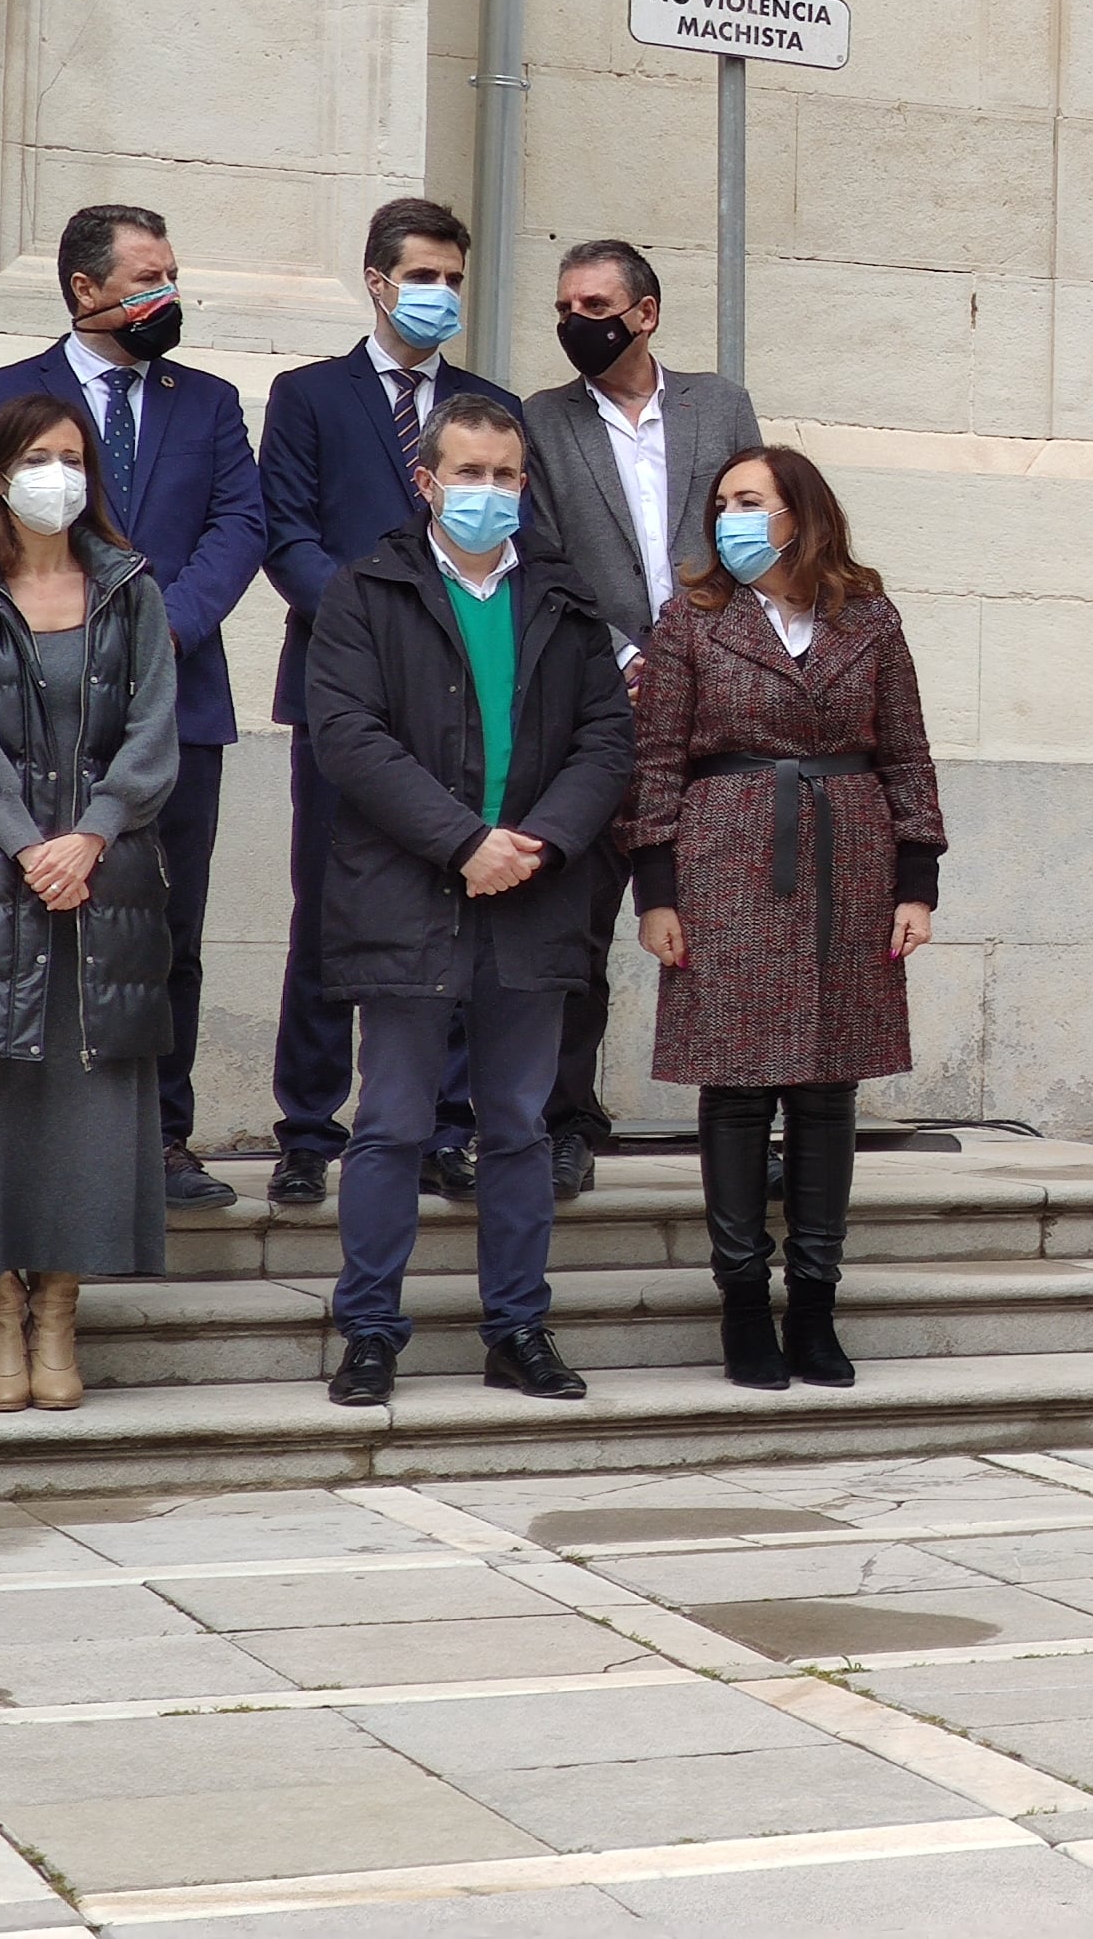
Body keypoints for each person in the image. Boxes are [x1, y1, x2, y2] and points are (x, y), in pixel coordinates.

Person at [305, 396, 631, 1407]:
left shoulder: (567, 604)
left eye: (506, 476)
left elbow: (607, 741)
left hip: (531, 894)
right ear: (427, 482)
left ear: (525, 486)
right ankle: (367, 1330)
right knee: (394, 1125)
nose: (488, 493)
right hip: (408, 896)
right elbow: (349, 738)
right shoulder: (367, 592)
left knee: (521, 1127)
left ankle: (519, 1329)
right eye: (469, 474)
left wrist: (540, 844)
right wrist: (463, 844)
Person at [0, 206, 265, 1213]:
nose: (166, 293)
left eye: (171, 273)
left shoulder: (207, 402)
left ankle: (162, 1142)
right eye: (147, 276)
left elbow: (238, 524)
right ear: (86, 290)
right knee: (26, 929)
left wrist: (160, 629)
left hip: (179, 711)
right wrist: (95, 628)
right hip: (37, 717)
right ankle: (31, 1145)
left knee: (166, 933)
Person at [622, 447, 941, 1390]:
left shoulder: (870, 619)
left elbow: (909, 755)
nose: (729, 516)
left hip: (852, 859)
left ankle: (813, 1303)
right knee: (735, 1086)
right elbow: (655, 760)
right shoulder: (693, 619)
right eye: (721, 502)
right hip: (725, 859)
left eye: (748, 500)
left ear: (798, 513)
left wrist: (916, 881)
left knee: (828, 1086)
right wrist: (657, 889)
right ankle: (740, 1304)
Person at [0, 397, 177, 1409]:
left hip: (104, 885)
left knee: (89, 1099)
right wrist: (29, 844)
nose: (55, 475)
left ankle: (58, 1310)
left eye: (72, 457)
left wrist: (93, 833)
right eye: (36, 458)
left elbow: (153, 731)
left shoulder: (131, 590)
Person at [256, 199, 516, 1209]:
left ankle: (444, 1126)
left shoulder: (491, 404)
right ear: (376, 279)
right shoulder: (310, 395)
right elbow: (288, 539)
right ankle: (309, 1130)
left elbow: (506, 548)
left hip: (465, 700)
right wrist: (384, 636)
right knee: (328, 913)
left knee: (457, 912)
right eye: (423, 275)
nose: (440, 294)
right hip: (343, 696)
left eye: (454, 277)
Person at [520, 238, 759, 1196]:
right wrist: (625, 654)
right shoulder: (542, 419)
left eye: (596, 304)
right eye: (565, 306)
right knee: (575, 930)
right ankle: (567, 1120)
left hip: (712, 700)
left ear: (645, 312)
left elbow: (754, 520)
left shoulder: (720, 404)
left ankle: (744, 1123)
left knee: (736, 925)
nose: (578, 322)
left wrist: (696, 651)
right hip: (601, 703)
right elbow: (543, 551)